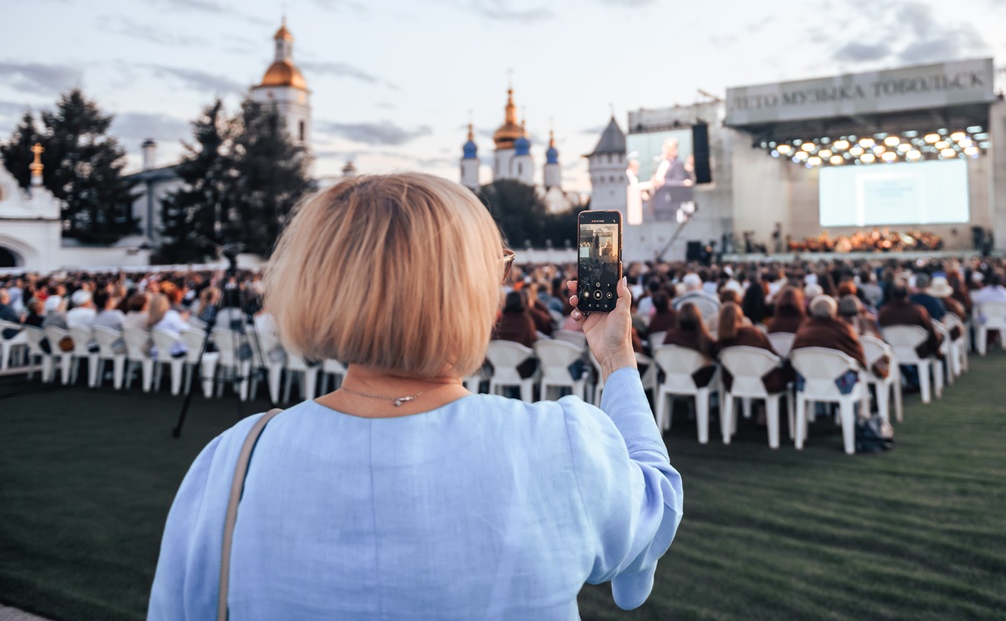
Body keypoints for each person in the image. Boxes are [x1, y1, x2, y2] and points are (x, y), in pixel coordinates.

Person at [149, 173, 681, 619]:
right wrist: (617, 359)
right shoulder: (556, 443)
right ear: (470, 293)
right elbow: (654, 514)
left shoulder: (233, 461)